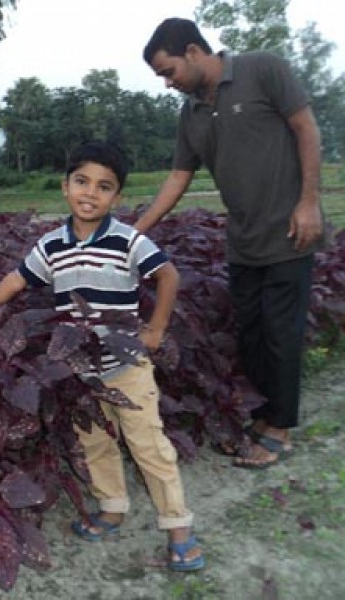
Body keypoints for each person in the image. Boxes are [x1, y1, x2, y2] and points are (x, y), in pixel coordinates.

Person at [0, 140, 204, 572]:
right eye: (82, 182)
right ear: (65, 187)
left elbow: (169, 275)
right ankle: (112, 508)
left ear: (116, 197)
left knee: (147, 443)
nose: (90, 193)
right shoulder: (52, 245)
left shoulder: (128, 240)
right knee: (95, 441)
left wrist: (155, 329)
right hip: (80, 368)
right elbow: (16, 280)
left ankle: (178, 528)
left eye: (103, 187)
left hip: (127, 364)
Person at [139, 18, 326, 470]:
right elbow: (179, 177)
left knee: (281, 335)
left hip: (288, 233)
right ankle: (264, 418)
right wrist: (138, 229)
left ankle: (279, 431)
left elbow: (306, 128)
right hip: (242, 242)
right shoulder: (192, 114)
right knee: (253, 337)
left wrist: (309, 203)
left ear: (193, 51)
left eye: (169, 71)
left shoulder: (263, 69)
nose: (168, 83)